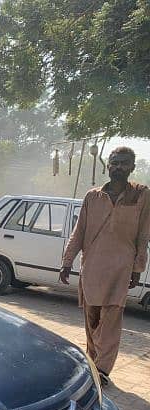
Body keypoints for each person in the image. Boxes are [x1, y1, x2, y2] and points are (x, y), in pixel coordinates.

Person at [60, 146, 150, 386]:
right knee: (93, 320)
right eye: (114, 162)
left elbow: (143, 235)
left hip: (121, 270)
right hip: (92, 268)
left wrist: (137, 268)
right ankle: (92, 363)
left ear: (132, 167)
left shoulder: (141, 195)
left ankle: (102, 370)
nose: (118, 167)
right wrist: (67, 262)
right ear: (108, 166)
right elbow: (79, 232)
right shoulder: (93, 196)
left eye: (124, 163)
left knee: (110, 322)